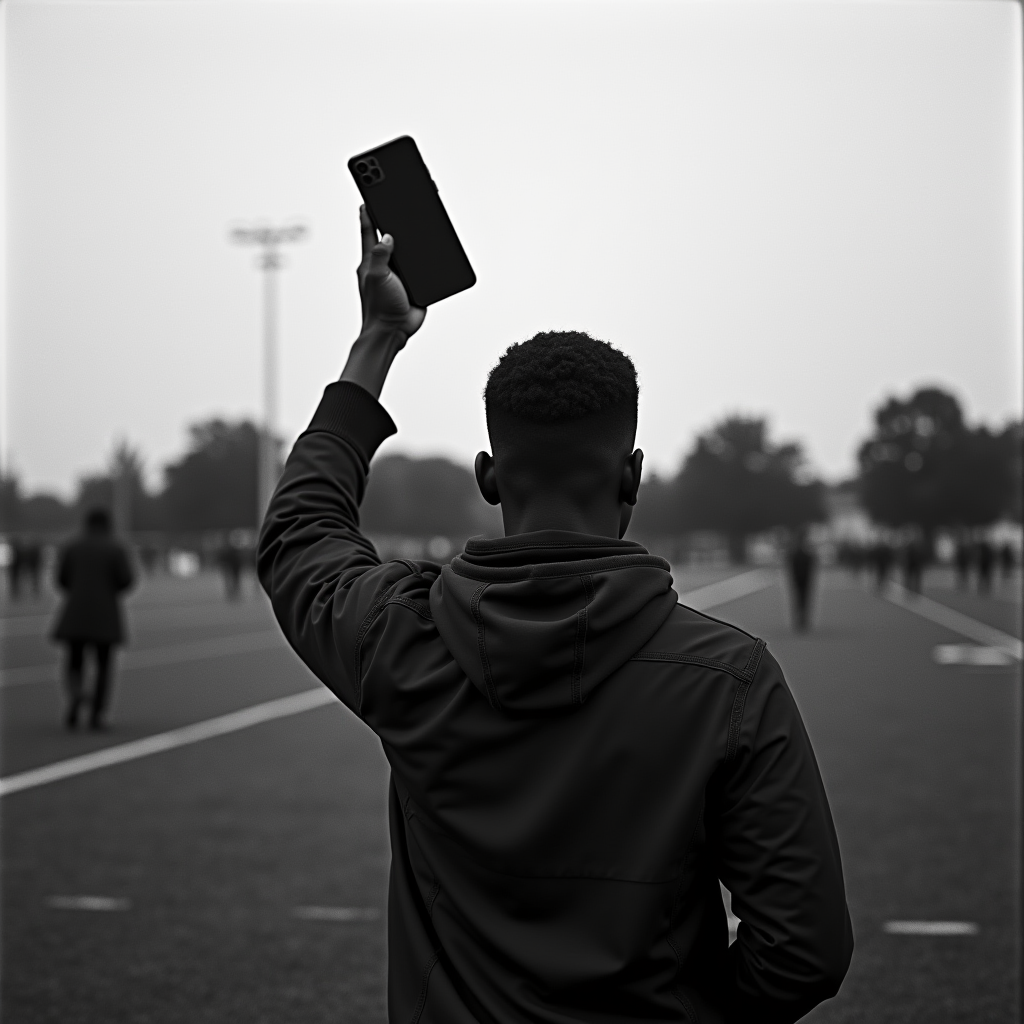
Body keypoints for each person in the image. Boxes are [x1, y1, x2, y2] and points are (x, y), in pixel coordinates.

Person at [257, 208, 853, 1023]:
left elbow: (299, 536)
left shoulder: (400, 639)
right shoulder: (730, 680)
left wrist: (377, 343)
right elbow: (805, 948)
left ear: (489, 475)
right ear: (632, 475)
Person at [52, 507, 135, 729]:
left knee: (74, 660)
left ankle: (75, 696)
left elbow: (61, 579)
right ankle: (97, 714)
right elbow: (126, 580)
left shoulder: (72, 546)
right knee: (104, 665)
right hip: (105, 613)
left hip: (76, 611)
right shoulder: (115, 548)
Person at [787, 529, 816, 629]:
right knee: (802, 600)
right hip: (803, 579)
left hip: (800, 579)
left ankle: (801, 620)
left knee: (800, 600)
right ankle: (802, 620)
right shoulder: (805, 554)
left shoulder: (795, 554)